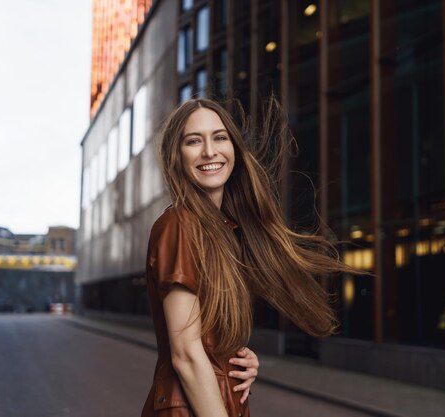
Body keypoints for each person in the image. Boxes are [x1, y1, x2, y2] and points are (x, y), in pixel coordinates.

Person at [141, 97, 358, 417]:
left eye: (219, 137)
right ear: (177, 156)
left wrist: (233, 359)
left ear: (234, 150)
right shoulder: (180, 225)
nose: (209, 151)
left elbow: (205, 342)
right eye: (193, 141)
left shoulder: (223, 232)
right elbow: (186, 354)